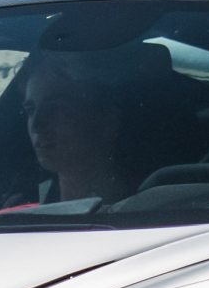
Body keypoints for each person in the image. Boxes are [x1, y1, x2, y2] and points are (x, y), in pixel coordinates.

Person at [23, 56, 136, 205]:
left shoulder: (155, 206)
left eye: (55, 108)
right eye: (31, 110)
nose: (36, 126)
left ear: (108, 121)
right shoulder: (21, 210)